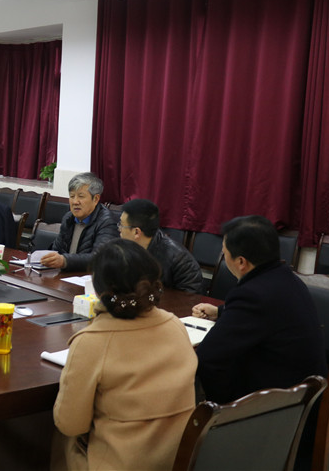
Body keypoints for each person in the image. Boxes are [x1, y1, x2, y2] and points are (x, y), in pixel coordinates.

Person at [53, 239, 197, 471]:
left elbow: (70, 424)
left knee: (58, 439)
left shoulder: (91, 342)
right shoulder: (175, 326)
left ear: (99, 289)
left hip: (119, 463)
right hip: (176, 461)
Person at [192, 215, 327, 404]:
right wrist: (220, 312)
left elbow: (207, 358)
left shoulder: (252, 295)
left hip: (276, 406)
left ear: (241, 262)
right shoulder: (287, 279)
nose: (223, 256)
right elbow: (269, 316)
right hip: (305, 396)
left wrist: (221, 408)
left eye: (224, 251)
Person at [119, 199, 203, 293]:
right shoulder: (124, 248)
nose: (119, 229)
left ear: (136, 232)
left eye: (121, 225)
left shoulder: (179, 259)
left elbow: (191, 297)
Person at [40, 172, 118, 271]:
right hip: (66, 275)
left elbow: (99, 259)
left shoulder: (107, 222)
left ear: (96, 199)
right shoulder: (69, 218)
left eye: (81, 196)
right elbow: (57, 250)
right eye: (72, 196)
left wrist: (65, 261)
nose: (75, 202)